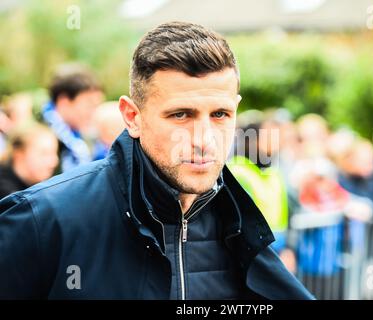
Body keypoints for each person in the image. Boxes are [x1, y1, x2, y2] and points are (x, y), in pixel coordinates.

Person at [0, 21, 313, 300]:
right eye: (180, 115)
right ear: (132, 117)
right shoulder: (43, 220)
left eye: (220, 114)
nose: (204, 139)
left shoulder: (238, 225)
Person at [41, 64, 104, 172]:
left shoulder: (81, 139)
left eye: (97, 106)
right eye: (89, 105)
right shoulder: (40, 140)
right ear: (64, 101)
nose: (94, 113)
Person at [0, 122, 59, 200]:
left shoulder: (33, 188)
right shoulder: (8, 197)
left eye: (55, 152)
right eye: (45, 153)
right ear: (19, 154)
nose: (54, 162)